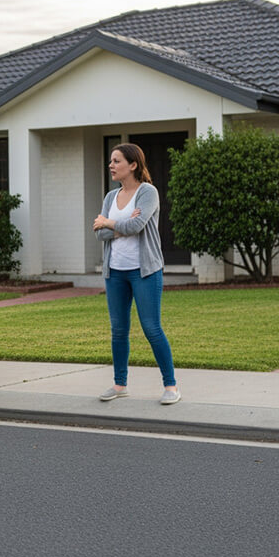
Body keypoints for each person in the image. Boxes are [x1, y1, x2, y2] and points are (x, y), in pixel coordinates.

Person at [92, 143, 180, 405]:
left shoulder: (148, 192)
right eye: (111, 161)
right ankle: (120, 385)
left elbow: (138, 224)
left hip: (144, 271)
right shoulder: (110, 197)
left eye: (116, 161)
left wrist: (109, 223)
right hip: (115, 271)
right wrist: (118, 226)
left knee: (152, 328)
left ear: (133, 165)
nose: (111, 165)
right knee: (118, 330)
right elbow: (100, 233)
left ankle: (171, 386)